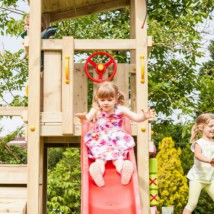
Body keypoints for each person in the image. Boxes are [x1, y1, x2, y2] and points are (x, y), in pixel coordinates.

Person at [75, 81, 156, 187]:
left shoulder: (121, 109)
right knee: (100, 159)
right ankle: (98, 171)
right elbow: (87, 120)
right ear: (97, 99)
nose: (106, 103)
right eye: (102, 100)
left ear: (116, 99)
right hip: (100, 138)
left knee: (118, 159)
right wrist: (83, 119)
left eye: (109, 100)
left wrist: (144, 116)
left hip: (117, 138)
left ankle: (123, 169)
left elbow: (136, 118)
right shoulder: (96, 110)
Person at [183, 113, 214, 214]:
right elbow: (197, 155)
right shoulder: (199, 143)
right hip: (197, 179)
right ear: (201, 127)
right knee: (192, 203)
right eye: (211, 126)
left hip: (210, 179)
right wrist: (209, 160)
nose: (213, 128)